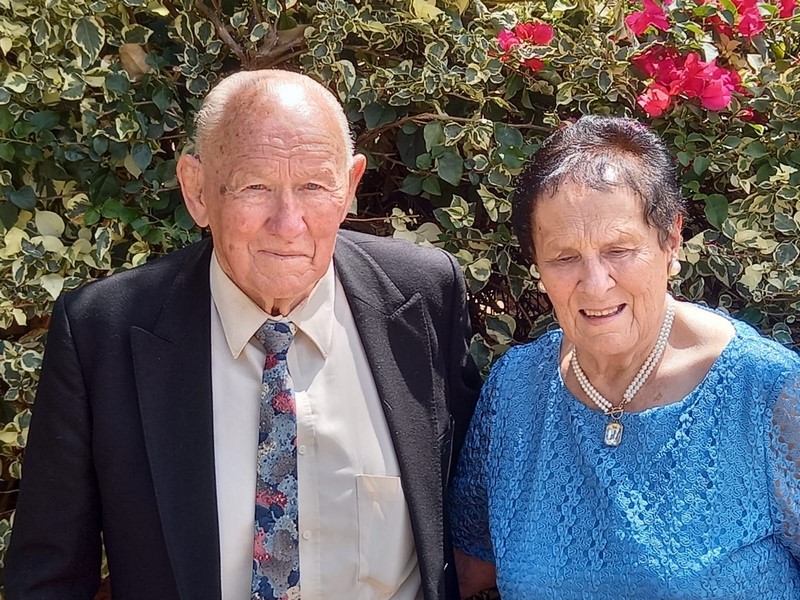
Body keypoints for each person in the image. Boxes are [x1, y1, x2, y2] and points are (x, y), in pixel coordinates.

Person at [7, 70, 481, 600]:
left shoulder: (424, 298)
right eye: (255, 186)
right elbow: (47, 578)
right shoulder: (104, 332)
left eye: (314, 186)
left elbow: (471, 520)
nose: (288, 222)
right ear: (196, 190)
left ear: (350, 186)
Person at [450, 115, 800, 599]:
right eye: (564, 257)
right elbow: (467, 569)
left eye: (619, 249)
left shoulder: (768, 392)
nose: (595, 284)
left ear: (671, 240)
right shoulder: (516, 390)